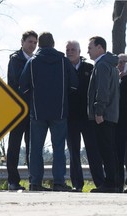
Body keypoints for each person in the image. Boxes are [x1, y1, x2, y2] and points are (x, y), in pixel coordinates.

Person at [19, 32, 78, 191]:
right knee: (59, 148)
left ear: (40, 44)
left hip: (37, 112)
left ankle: (35, 182)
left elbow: (23, 87)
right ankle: (59, 182)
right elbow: (74, 85)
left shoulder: (32, 62)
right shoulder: (63, 61)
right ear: (53, 44)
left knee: (36, 148)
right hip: (59, 111)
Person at [65, 40, 104, 192]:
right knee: (73, 152)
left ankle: (100, 183)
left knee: (93, 151)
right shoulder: (64, 68)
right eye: (67, 49)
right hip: (70, 118)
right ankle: (77, 184)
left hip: (88, 117)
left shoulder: (89, 68)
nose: (70, 52)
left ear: (79, 51)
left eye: (73, 49)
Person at [87, 36, 120, 193]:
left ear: (100, 48)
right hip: (111, 114)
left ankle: (110, 183)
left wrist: (98, 111)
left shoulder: (102, 65)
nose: (88, 51)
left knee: (106, 149)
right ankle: (113, 182)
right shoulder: (111, 65)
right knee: (109, 149)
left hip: (103, 115)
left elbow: (102, 90)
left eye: (90, 47)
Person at [7, 30, 38, 191]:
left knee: (32, 146)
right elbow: (16, 82)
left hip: (33, 109)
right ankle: (13, 180)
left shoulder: (37, 60)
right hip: (18, 109)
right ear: (22, 42)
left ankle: (33, 179)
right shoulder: (15, 59)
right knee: (14, 145)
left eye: (35, 43)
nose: (32, 45)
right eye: (30, 42)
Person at [115, 53, 127, 192]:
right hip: (117, 123)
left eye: (124, 61)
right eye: (119, 62)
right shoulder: (115, 80)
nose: (121, 64)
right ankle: (118, 183)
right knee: (117, 154)